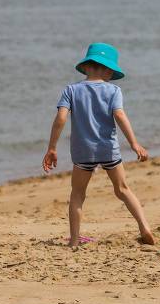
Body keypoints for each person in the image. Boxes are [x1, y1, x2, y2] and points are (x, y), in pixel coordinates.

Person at [42, 43, 154, 247]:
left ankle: (74, 241)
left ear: (85, 67)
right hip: (108, 149)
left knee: (77, 194)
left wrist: (52, 148)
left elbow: (60, 119)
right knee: (122, 189)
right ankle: (144, 226)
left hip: (83, 151)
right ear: (109, 70)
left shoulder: (71, 90)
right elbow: (119, 116)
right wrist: (134, 144)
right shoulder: (113, 91)